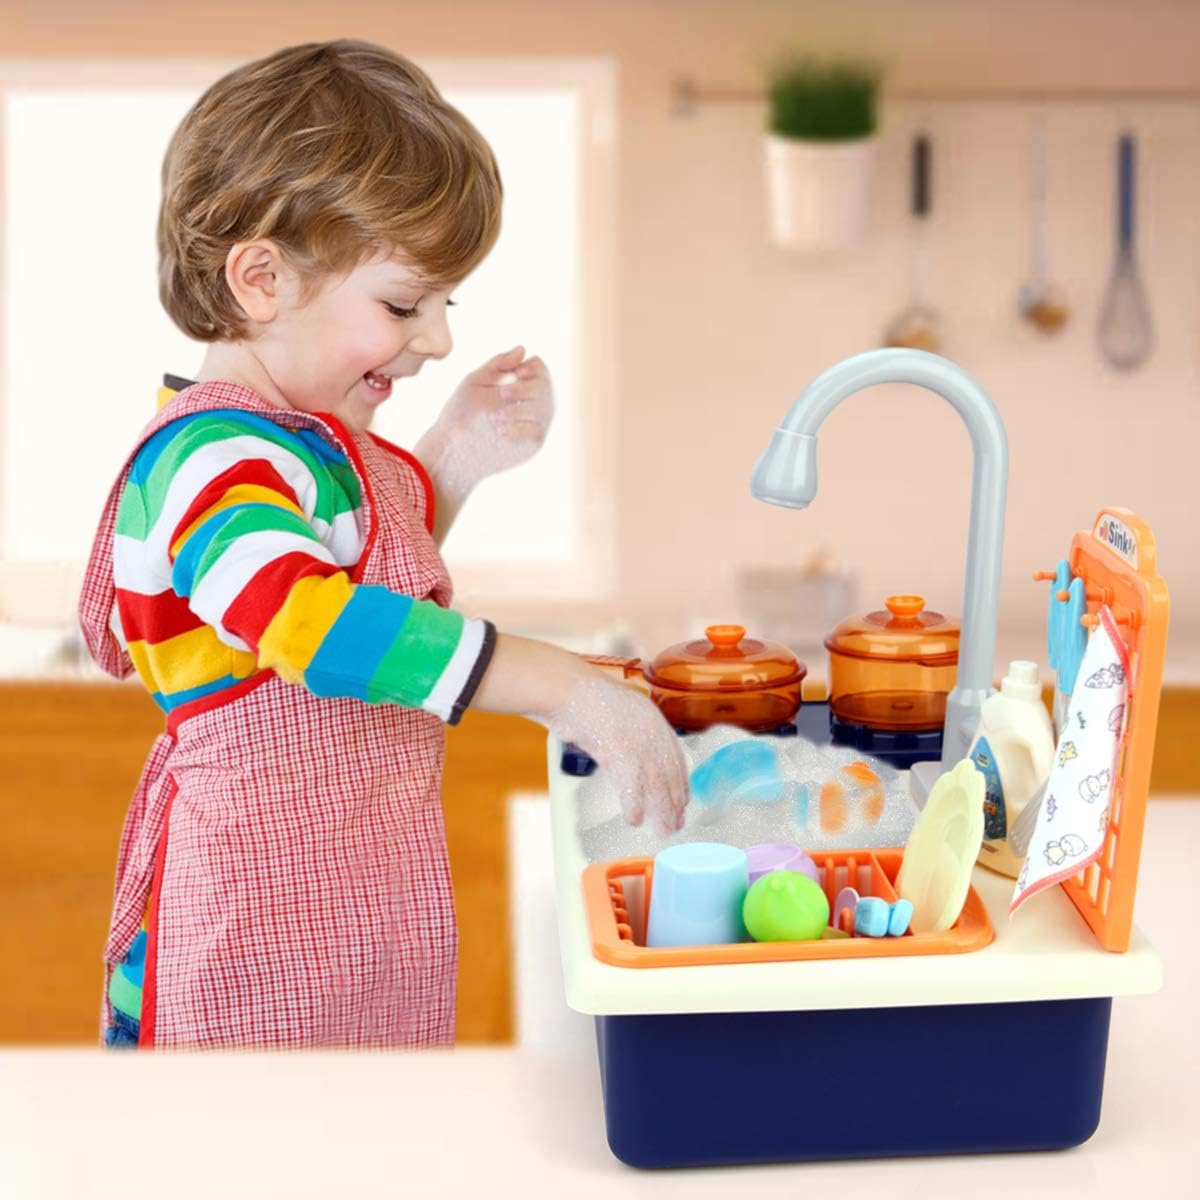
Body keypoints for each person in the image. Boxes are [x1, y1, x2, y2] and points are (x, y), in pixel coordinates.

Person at [78, 38, 688, 1050]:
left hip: (358, 908)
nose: (439, 337)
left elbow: (349, 576)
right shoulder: (208, 462)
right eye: (406, 303)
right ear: (261, 280)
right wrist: (565, 688)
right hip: (253, 932)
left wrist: (454, 454)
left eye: (449, 303)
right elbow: (318, 630)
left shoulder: (304, 453)